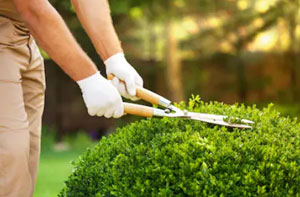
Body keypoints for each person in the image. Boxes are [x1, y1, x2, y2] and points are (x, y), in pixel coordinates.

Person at [0, 0, 143, 196]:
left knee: (22, 173)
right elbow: (32, 8)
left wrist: (114, 57)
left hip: (25, 38)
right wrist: (89, 79)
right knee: (9, 165)